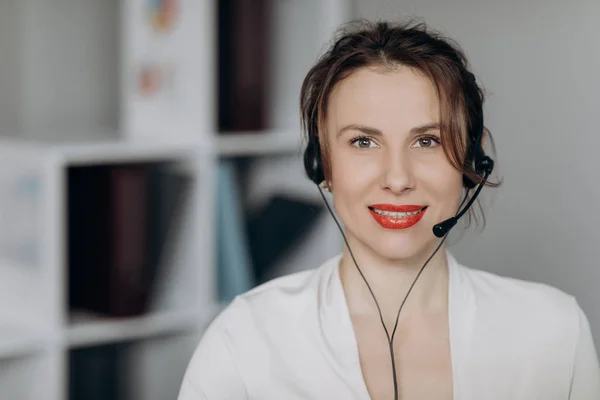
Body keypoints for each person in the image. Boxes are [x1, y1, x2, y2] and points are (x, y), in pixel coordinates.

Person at [178, 19, 600, 400]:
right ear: (322, 163)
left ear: (473, 160)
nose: (397, 179)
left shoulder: (553, 333)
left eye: (427, 141)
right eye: (363, 142)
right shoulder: (244, 340)